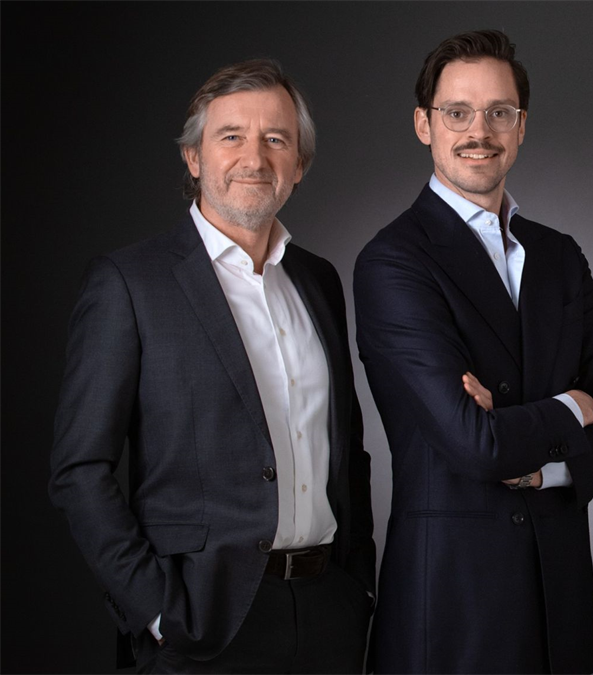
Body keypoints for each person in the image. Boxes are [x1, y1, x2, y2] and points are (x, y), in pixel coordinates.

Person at [48, 59, 375, 674]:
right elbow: (79, 470)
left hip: (328, 615)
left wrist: (358, 586)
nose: (255, 158)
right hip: (201, 624)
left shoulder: (319, 280)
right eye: (231, 136)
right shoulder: (130, 282)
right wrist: (156, 611)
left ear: (299, 164)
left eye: (275, 139)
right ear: (193, 157)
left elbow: (347, 449)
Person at [354, 29, 593, 675]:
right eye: (457, 112)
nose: (479, 131)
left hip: (561, 614)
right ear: (424, 125)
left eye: (499, 112)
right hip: (452, 614)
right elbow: (476, 445)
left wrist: (546, 471)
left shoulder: (559, 256)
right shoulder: (393, 261)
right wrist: (574, 407)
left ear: (521, 126)